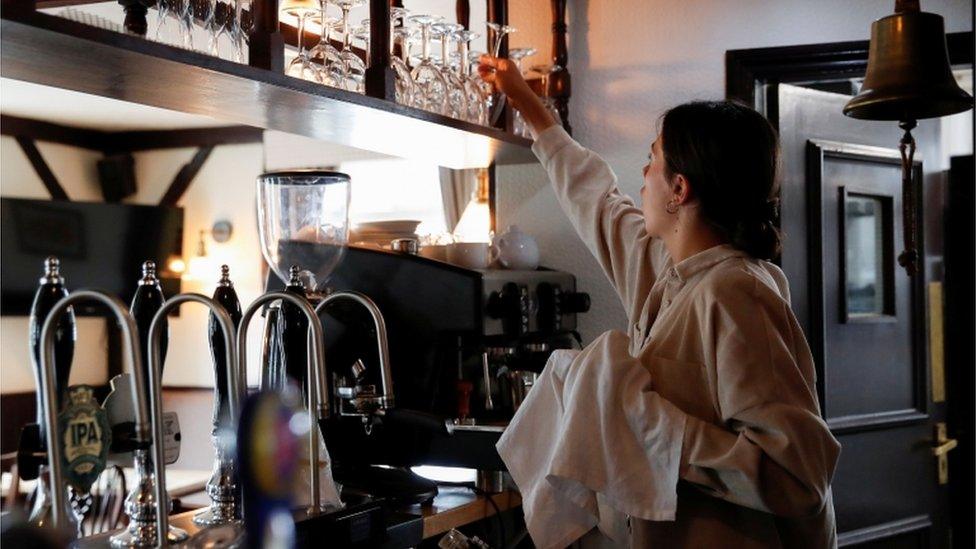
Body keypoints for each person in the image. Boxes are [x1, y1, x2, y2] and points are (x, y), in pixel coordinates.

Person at [479, 55, 842, 548]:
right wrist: (524, 99)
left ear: (679, 188)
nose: (642, 175)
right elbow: (594, 196)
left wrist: (643, 422)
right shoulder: (664, 270)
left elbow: (798, 477)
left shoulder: (737, 292)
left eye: (652, 159)